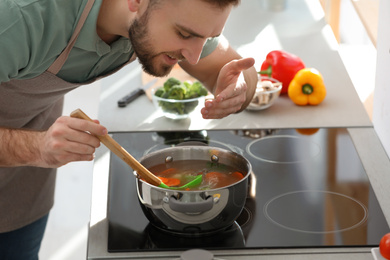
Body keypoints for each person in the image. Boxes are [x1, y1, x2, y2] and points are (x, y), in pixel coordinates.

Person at [0, 0, 257, 258]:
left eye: (207, 38)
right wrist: (37, 147)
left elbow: (235, 69)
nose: (194, 56)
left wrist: (236, 89)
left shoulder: (173, 15)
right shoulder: (20, 16)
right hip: (32, 150)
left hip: (25, 180)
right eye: (184, 34)